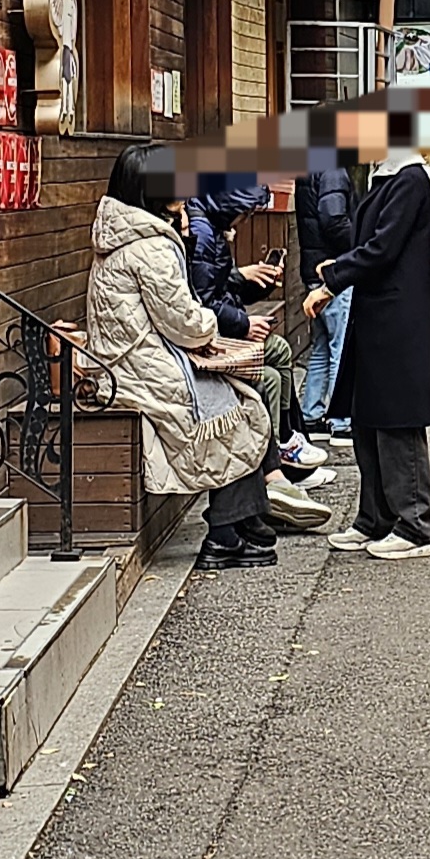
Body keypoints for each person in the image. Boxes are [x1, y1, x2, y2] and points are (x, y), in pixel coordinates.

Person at [78, 144, 329, 570]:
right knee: (239, 414)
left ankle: (246, 525)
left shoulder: (127, 235)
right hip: (146, 371)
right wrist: (211, 327)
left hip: (134, 364)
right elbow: (186, 321)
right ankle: (227, 533)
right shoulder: (149, 246)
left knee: (244, 405)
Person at [304, 115, 430, 560]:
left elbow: (382, 248)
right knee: (369, 420)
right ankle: (375, 519)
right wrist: (339, 270)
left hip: (399, 318)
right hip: (378, 315)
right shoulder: (386, 176)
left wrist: (333, 279)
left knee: (397, 421)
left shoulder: (410, 179)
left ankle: (416, 526)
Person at [184, 170, 328, 480]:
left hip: (217, 327)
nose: (246, 220)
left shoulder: (210, 225)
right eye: (246, 213)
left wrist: (253, 281)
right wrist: (244, 323)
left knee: (279, 353)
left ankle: (285, 441)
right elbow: (203, 300)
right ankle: (276, 456)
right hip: (210, 337)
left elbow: (215, 286)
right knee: (272, 371)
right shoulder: (203, 231)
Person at [294, 149, 356, 440]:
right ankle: (341, 421)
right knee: (341, 345)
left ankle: (311, 415)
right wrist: (360, 245)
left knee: (321, 345)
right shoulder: (332, 167)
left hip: (312, 267)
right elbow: (333, 220)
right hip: (333, 269)